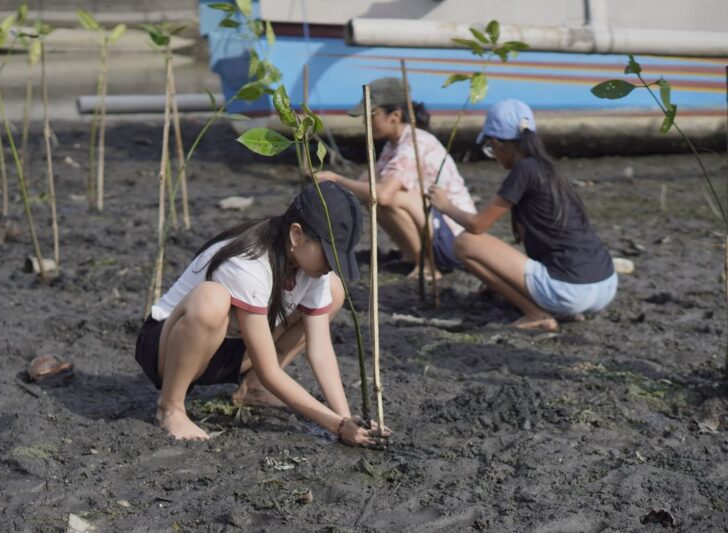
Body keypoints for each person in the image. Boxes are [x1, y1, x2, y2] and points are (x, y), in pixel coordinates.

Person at [135, 182, 389, 445]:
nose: (329, 265)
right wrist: (336, 426)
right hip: (169, 349)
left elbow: (321, 349)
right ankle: (170, 407)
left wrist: (346, 419)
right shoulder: (248, 261)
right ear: (296, 234)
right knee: (211, 298)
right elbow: (269, 369)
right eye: (327, 254)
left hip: (231, 350)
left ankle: (253, 389)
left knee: (334, 291)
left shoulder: (310, 268)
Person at [427, 99, 617, 331]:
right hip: (606, 284)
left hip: (570, 291)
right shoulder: (549, 168)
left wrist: (444, 205)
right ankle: (563, 310)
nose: (494, 156)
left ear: (498, 144)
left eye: (490, 148)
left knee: (465, 243)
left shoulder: (524, 170)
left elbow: (478, 226)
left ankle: (535, 314)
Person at [315, 76, 477, 279]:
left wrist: (337, 179)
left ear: (395, 115)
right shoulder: (394, 144)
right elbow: (366, 182)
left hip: (456, 238)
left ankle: (426, 265)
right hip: (436, 230)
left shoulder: (414, 143)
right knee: (371, 191)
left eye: (371, 114)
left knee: (388, 197)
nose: (366, 122)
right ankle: (411, 255)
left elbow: (382, 195)